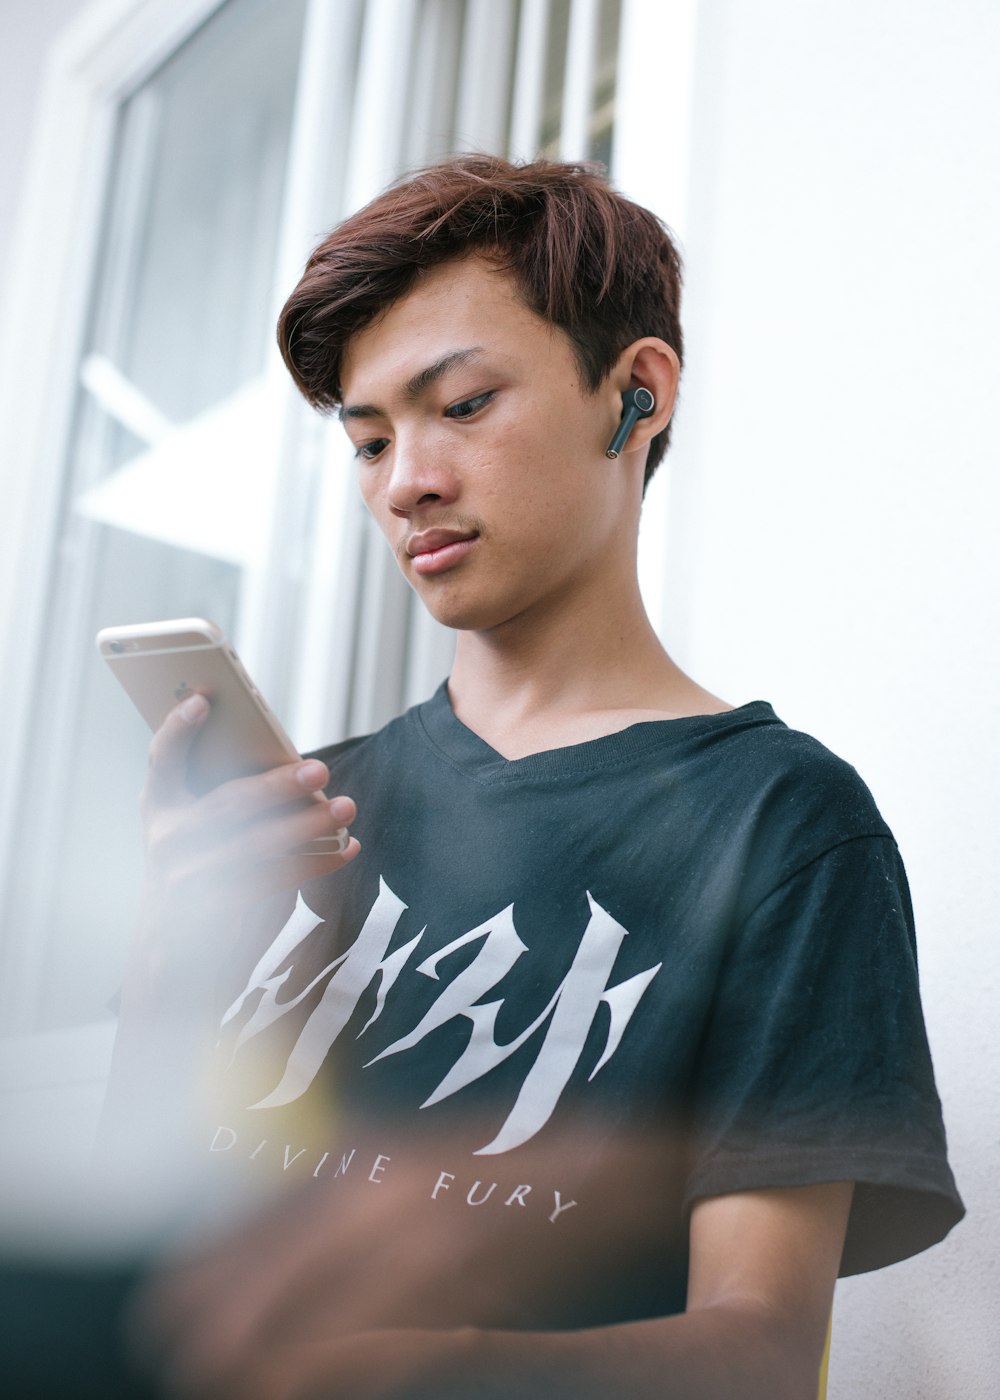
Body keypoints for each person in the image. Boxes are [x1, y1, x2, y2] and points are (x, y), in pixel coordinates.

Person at [110, 156, 963, 1400]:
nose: (406, 481)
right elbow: (142, 1227)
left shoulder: (782, 825)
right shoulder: (309, 808)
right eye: (367, 439)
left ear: (636, 394)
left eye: (460, 405)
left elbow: (760, 1352)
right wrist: (167, 944)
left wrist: (404, 1372)